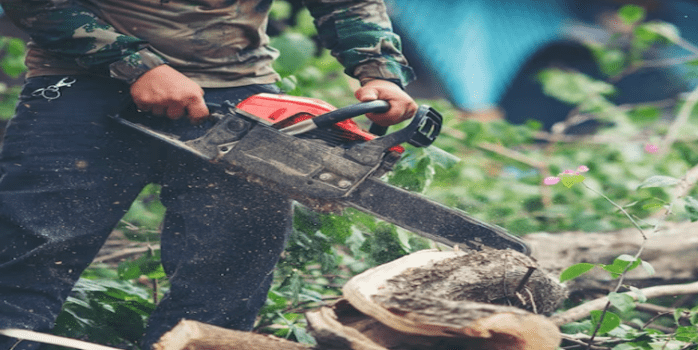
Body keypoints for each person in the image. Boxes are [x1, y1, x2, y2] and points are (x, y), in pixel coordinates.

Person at [0, 1, 417, 349]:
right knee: (28, 260)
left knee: (227, 280)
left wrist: (378, 70)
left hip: (240, 91)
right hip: (83, 81)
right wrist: (134, 64)